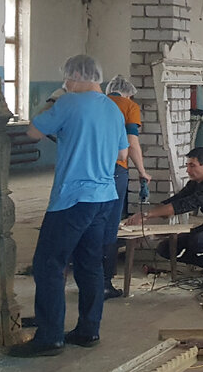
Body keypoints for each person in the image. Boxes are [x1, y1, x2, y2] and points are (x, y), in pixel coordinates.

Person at [11, 55, 126, 356]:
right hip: (104, 198)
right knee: (89, 265)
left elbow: (33, 132)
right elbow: (123, 154)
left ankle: (50, 336)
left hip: (73, 198)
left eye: (67, 78)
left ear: (74, 76)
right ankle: (88, 331)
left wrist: (54, 101)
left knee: (48, 264)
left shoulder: (68, 103)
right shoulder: (113, 109)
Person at [127, 146, 203, 280]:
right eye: (187, 165)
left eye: (192, 166)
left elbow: (184, 205)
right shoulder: (194, 184)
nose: (188, 170)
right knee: (165, 248)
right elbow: (175, 200)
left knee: (200, 241)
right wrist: (143, 221)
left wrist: (146, 215)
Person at [101, 75, 152, 300]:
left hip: (88, 169)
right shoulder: (129, 106)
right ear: (128, 94)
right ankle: (104, 283)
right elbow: (132, 143)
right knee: (110, 226)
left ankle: (86, 278)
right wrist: (142, 171)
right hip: (115, 170)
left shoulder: (96, 103)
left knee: (90, 222)